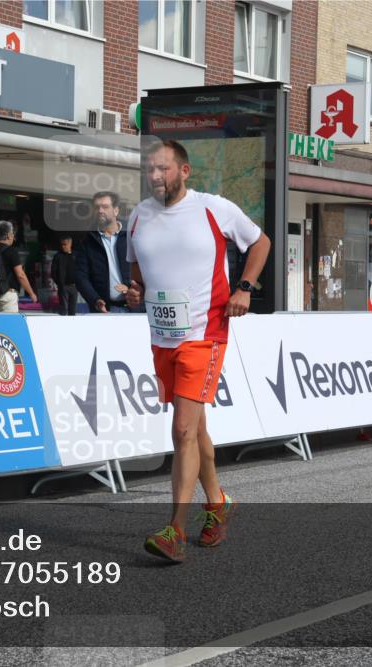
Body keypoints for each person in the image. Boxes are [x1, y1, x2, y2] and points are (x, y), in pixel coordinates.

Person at [126, 139, 271, 562]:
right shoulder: (139, 215)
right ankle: (218, 503)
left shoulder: (214, 208)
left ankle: (174, 530)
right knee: (198, 429)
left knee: (182, 430)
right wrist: (136, 292)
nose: (156, 176)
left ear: (184, 171)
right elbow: (138, 270)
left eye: (164, 168)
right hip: (161, 336)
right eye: (151, 169)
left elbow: (259, 243)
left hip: (204, 333)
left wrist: (244, 288)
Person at [75, 191, 132, 313]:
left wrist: (131, 288)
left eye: (105, 207)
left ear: (116, 211)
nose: (100, 211)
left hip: (135, 308)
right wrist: (95, 299)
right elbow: (81, 277)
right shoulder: (87, 241)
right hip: (104, 310)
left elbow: (145, 269)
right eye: (96, 207)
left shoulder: (132, 237)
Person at [50, 235, 77, 316]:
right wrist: (60, 283)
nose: (63, 246)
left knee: (73, 309)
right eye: (61, 244)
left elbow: (80, 270)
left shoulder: (76, 256)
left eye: (65, 244)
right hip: (63, 286)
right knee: (64, 309)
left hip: (74, 286)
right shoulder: (58, 256)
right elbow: (53, 272)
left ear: (70, 244)